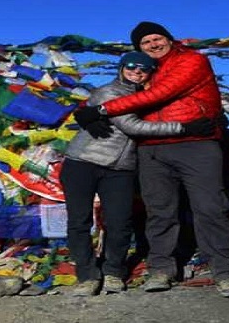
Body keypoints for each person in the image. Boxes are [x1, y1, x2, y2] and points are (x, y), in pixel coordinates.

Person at [74, 21, 229, 298]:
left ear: (169, 39)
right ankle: (160, 269)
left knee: (210, 208)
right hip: (151, 149)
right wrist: (88, 109)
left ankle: (226, 273)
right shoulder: (143, 72)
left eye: (158, 38)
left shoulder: (191, 61)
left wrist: (100, 110)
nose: (153, 44)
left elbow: (162, 94)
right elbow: (117, 95)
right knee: (159, 211)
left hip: (195, 144)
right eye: (145, 42)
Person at [62, 51, 213, 296]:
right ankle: (87, 275)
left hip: (121, 168)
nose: (137, 71)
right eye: (131, 65)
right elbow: (132, 125)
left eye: (145, 68)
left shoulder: (147, 96)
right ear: (121, 68)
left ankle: (113, 272)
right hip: (83, 162)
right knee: (79, 221)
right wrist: (184, 127)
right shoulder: (109, 92)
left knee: (120, 222)